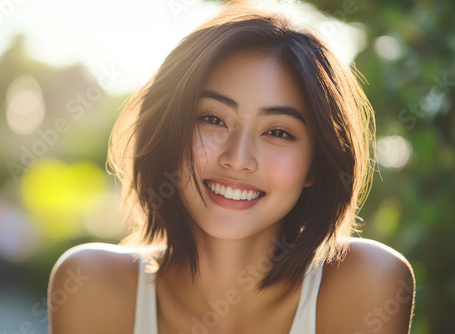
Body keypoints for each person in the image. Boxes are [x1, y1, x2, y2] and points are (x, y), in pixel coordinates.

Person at [48, 1, 415, 333]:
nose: (238, 158)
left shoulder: (367, 282)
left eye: (277, 132)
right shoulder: (92, 284)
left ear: (315, 165)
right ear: (169, 132)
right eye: (212, 119)